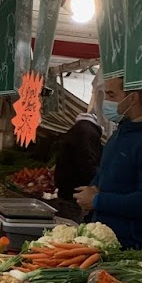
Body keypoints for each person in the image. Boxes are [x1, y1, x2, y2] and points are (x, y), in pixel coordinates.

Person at [74, 75, 142, 252]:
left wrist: (98, 201)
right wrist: (93, 189)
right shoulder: (120, 134)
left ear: (133, 98)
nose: (106, 101)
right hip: (105, 241)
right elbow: (104, 176)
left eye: (112, 95)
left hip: (134, 247)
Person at [50, 79, 108, 221]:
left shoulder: (81, 129)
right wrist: (97, 186)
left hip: (70, 193)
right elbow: (87, 163)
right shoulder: (86, 132)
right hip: (75, 196)